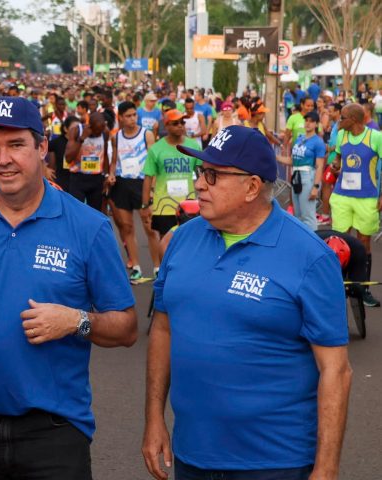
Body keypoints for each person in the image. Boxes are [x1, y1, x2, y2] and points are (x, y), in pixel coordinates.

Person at [0, 96, 138, 480]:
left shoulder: (89, 227)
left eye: (16, 145)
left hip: (55, 433)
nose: (3, 159)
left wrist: (77, 321)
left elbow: (127, 326)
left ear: (41, 148)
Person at [143, 125, 352, 480]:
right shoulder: (181, 240)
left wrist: (326, 467)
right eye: (200, 172)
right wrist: (153, 420)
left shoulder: (310, 257)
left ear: (252, 187)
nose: (200, 184)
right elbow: (162, 328)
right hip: (191, 454)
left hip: (274, 462)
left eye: (213, 175)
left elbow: (336, 370)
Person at [329, 103, 382, 307]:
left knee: (363, 243)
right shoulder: (341, 136)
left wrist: (381, 195)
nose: (338, 121)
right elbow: (339, 160)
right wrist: (335, 166)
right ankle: (338, 286)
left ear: (354, 120)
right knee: (338, 243)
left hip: (366, 197)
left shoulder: (375, 137)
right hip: (342, 196)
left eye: (342, 117)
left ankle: (364, 290)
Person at [107, 101, 156, 283]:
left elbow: (153, 162)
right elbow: (114, 162)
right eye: (128, 116)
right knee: (127, 227)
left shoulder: (146, 134)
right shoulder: (116, 137)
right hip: (122, 183)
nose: (132, 119)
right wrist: (111, 175)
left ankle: (157, 268)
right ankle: (136, 267)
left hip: (142, 183)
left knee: (150, 228)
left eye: (134, 115)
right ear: (120, 117)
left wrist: (151, 188)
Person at [141, 110, 202, 247]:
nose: (180, 126)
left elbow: (201, 175)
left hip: (189, 205)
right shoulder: (156, 149)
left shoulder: (193, 146)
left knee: (190, 244)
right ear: (166, 126)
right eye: (175, 123)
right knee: (166, 245)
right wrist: (145, 206)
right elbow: (148, 178)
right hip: (164, 206)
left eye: (182, 122)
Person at [277, 111, 326, 230]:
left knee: (308, 215)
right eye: (306, 120)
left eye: (311, 121)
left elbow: (320, 165)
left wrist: (315, 187)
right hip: (296, 176)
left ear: (316, 124)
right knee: (297, 215)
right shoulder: (299, 139)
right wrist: (274, 156)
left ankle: (313, 244)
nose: (308, 123)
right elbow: (292, 161)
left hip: (308, 177)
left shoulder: (318, 142)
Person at [65, 111, 109, 211]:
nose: (99, 133)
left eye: (101, 130)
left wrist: (106, 175)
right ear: (90, 126)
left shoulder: (104, 132)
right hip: (78, 178)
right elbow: (68, 158)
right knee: (76, 211)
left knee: (95, 213)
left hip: (96, 178)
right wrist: (82, 139)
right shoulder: (76, 130)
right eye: (97, 131)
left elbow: (105, 155)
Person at [47, 115, 80, 191]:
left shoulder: (81, 141)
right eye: (74, 128)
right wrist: (45, 168)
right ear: (65, 129)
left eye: (79, 128)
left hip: (78, 183)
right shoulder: (57, 141)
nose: (77, 130)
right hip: (61, 183)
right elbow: (38, 149)